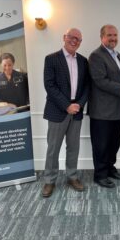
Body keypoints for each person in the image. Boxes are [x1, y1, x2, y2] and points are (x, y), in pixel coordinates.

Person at [41, 28, 90, 197]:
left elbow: (86, 86)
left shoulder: (83, 61)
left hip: (76, 112)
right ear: (64, 37)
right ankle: (49, 180)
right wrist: (66, 105)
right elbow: (49, 85)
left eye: (78, 39)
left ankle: (72, 176)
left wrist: (79, 104)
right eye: (72, 37)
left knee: (73, 147)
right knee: (53, 148)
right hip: (57, 111)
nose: (74, 41)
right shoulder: (51, 59)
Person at [88, 24, 120, 188]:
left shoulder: (118, 56)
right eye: (109, 35)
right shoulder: (96, 56)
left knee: (114, 143)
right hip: (102, 111)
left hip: (118, 110)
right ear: (102, 37)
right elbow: (100, 80)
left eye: (115, 35)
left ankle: (109, 168)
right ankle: (100, 175)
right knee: (101, 145)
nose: (113, 38)